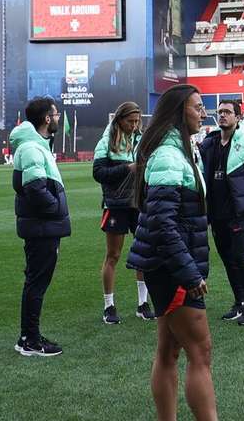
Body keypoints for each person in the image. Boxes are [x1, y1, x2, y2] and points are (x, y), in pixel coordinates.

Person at [127, 84, 217, 421]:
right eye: (197, 107)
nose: (203, 112)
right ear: (180, 111)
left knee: (168, 351)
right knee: (200, 352)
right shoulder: (168, 155)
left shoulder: (178, 150)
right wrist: (189, 272)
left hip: (167, 264)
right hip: (172, 267)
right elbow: (164, 224)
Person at [198, 99, 244, 327]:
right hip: (216, 213)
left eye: (227, 112)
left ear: (238, 117)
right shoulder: (209, 143)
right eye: (220, 112)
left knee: (242, 258)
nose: (222, 116)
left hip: (238, 212)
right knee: (228, 260)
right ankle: (239, 302)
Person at [11, 97, 70, 357]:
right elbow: (35, 190)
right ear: (47, 118)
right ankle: (31, 341)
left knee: (35, 282)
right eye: (55, 115)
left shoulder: (35, 146)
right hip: (42, 227)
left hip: (41, 226)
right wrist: (57, 208)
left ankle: (28, 337)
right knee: (36, 283)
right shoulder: (33, 148)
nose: (57, 118)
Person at [92, 101, 154, 324]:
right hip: (116, 204)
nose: (135, 125)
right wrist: (126, 168)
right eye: (131, 121)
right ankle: (109, 306)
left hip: (138, 204)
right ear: (119, 120)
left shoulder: (141, 139)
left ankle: (143, 303)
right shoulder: (106, 141)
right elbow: (98, 172)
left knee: (143, 254)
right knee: (114, 255)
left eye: (137, 121)